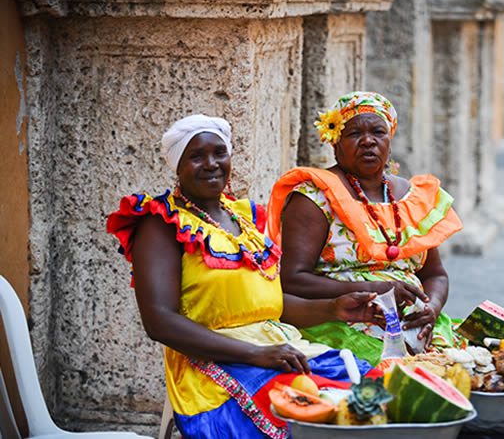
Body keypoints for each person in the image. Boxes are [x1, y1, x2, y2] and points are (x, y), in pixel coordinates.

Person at [106, 114, 381, 439]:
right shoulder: (161, 223)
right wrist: (256, 354)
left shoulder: (246, 218)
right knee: (316, 417)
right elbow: (159, 322)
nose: (211, 164)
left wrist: (335, 308)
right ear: (178, 166)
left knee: (374, 394)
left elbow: (270, 305)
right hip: (213, 365)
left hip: (280, 351)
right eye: (196, 156)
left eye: (219, 153)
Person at [267, 92, 466, 367]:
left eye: (377, 131)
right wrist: (376, 290)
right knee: (392, 380)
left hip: (417, 325)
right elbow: (292, 279)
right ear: (335, 143)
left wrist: (431, 308)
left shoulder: (412, 198)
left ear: (390, 141)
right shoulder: (314, 198)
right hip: (343, 322)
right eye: (354, 134)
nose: (368, 141)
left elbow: (435, 274)